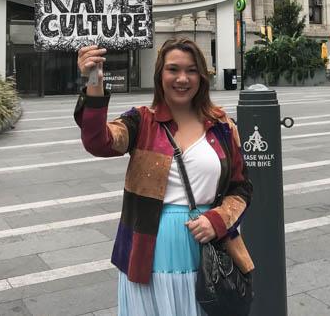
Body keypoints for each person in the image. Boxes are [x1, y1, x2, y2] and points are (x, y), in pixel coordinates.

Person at [74, 38, 254, 316]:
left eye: (191, 70)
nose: (182, 78)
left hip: (207, 249)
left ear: (202, 76)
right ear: (160, 75)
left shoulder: (222, 126)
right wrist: (94, 80)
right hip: (148, 251)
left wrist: (216, 221)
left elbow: (240, 188)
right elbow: (99, 141)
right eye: (173, 69)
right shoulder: (141, 121)